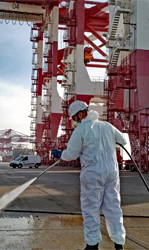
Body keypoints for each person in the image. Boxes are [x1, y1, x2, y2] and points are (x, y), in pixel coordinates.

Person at [52, 100, 127, 250]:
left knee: (91, 208)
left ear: (80, 114)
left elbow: (72, 154)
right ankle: (119, 245)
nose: (74, 122)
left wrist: (60, 154)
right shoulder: (107, 126)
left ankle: (92, 246)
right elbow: (123, 140)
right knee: (113, 207)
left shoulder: (81, 130)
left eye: (74, 118)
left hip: (93, 173)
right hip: (112, 171)